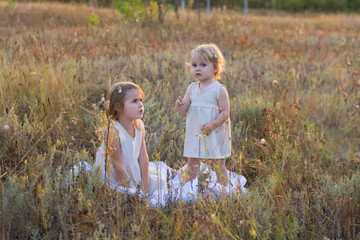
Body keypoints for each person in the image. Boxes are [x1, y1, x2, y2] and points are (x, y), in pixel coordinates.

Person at [95, 82, 168, 194]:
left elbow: (143, 155)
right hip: (117, 174)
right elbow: (117, 166)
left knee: (160, 183)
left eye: (140, 100)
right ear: (118, 107)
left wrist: (145, 183)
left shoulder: (138, 125)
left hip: (132, 167)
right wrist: (131, 190)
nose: (140, 105)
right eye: (134, 101)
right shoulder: (113, 131)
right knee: (128, 193)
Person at [175, 43, 231, 185]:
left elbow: (225, 112)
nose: (197, 68)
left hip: (214, 131)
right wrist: (180, 106)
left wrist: (213, 124)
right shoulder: (192, 88)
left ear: (215, 68)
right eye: (194, 65)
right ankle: (189, 187)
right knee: (193, 161)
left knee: (217, 162)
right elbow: (185, 109)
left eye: (203, 65)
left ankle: (225, 190)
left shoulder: (218, 89)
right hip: (196, 132)